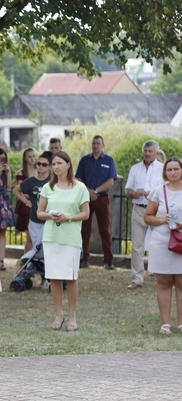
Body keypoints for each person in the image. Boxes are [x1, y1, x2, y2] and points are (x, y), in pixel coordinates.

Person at [37, 151, 90, 332]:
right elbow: (39, 212)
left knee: (71, 277)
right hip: (52, 237)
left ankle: (72, 316)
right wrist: (51, 215)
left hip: (71, 238)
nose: (56, 167)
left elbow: (85, 213)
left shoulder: (80, 187)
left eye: (59, 163)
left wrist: (68, 218)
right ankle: (59, 315)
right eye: (54, 164)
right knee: (54, 277)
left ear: (68, 164)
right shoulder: (48, 187)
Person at [144, 157, 182, 334]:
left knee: (181, 282)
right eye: (170, 169)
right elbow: (147, 216)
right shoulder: (158, 191)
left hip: (180, 241)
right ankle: (165, 323)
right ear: (165, 172)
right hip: (161, 241)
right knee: (164, 282)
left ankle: (181, 323)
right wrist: (161, 219)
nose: (173, 172)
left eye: (176, 169)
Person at [125, 140, 165, 289]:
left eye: (150, 151)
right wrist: (133, 194)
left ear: (156, 153)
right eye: (145, 151)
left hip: (156, 210)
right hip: (139, 209)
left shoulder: (162, 169)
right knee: (137, 246)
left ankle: (161, 275)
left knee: (160, 244)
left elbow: (167, 189)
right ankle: (137, 279)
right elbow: (127, 190)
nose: (147, 154)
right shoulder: (135, 169)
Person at [75, 135, 118, 270]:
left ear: (103, 145)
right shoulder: (84, 160)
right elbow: (78, 179)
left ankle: (108, 261)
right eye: (94, 143)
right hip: (85, 198)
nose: (96, 146)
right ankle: (84, 258)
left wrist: (95, 190)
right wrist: (88, 191)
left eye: (98, 143)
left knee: (105, 230)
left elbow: (111, 181)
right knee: (84, 229)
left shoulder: (109, 160)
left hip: (102, 198)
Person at [13, 152, 52, 287]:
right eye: (38, 164)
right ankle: (26, 269)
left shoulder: (53, 182)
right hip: (35, 220)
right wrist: (26, 202)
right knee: (37, 248)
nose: (40, 167)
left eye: (44, 164)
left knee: (47, 248)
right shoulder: (31, 181)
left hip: (49, 220)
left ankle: (47, 278)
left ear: (50, 167)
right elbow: (16, 190)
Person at [14, 147, 37, 252]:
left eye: (34, 156)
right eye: (29, 157)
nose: (32, 159)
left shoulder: (40, 171)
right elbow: (22, 191)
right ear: (25, 158)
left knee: (36, 237)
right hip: (26, 206)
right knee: (30, 237)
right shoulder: (21, 173)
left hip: (38, 204)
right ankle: (26, 261)